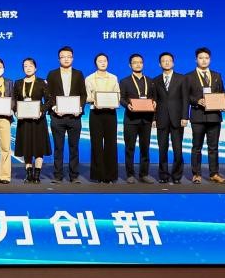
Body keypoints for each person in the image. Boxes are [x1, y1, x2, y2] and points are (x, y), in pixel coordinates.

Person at [185, 47, 225, 184]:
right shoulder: (189, 76)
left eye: (206, 58)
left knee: (213, 147)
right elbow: (186, 96)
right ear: (196, 59)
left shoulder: (217, 75)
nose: (204, 60)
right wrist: (197, 101)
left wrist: (223, 104)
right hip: (198, 116)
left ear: (210, 59)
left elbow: (222, 93)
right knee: (196, 147)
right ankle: (196, 174)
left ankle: (214, 174)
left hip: (214, 116)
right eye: (201, 58)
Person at [46, 46, 86, 183]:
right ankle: (58, 175)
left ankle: (74, 176)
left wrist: (79, 107)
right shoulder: (52, 74)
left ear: (72, 58)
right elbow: (48, 94)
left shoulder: (79, 74)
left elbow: (83, 94)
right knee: (58, 147)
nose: (66, 59)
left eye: (69, 56)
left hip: (74, 117)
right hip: (57, 117)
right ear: (59, 59)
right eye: (63, 57)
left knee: (74, 148)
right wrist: (54, 107)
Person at [119, 53, 158, 183]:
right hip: (131, 119)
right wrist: (127, 105)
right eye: (135, 62)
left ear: (143, 64)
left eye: (140, 62)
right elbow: (121, 98)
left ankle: (144, 174)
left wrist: (154, 104)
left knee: (145, 148)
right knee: (130, 148)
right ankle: (130, 174)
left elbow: (154, 98)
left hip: (146, 119)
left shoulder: (150, 81)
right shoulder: (124, 81)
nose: (138, 64)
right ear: (130, 65)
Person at [153, 52, 189, 184]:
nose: (166, 62)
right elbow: (154, 101)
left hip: (177, 118)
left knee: (178, 149)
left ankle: (177, 176)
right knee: (162, 149)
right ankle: (163, 175)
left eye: (169, 60)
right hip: (161, 118)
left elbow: (185, 99)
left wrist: (185, 116)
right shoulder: (155, 80)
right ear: (160, 64)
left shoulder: (182, 78)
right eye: (164, 60)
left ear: (173, 63)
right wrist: (153, 118)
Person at [85, 52, 120, 183]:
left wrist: (114, 103)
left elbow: (118, 94)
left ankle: (110, 176)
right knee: (96, 144)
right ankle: (98, 175)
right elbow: (86, 97)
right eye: (100, 61)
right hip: (96, 113)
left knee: (111, 144)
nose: (103, 63)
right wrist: (95, 100)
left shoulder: (113, 78)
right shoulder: (89, 78)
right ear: (96, 63)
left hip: (110, 113)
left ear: (108, 62)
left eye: (105, 60)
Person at [13, 57, 49, 183]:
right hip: (24, 121)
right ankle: (28, 174)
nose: (28, 68)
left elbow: (49, 100)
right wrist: (16, 111)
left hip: (38, 120)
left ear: (35, 68)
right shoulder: (18, 83)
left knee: (39, 147)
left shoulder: (42, 82)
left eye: (30, 66)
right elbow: (14, 100)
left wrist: (41, 111)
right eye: (25, 66)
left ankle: (37, 174)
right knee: (26, 147)